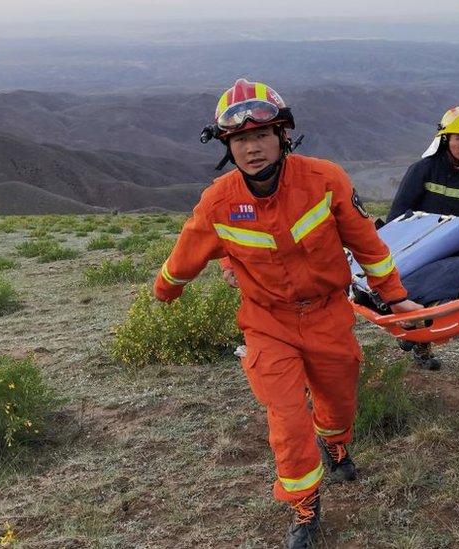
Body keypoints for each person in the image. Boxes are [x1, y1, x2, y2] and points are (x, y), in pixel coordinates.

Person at [153, 79, 422, 548]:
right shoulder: (218, 201)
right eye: (239, 140)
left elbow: (368, 246)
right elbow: (185, 255)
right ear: (227, 146)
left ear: (282, 137)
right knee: (286, 418)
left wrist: (396, 298)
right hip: (267, 324)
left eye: (260, 136)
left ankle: (335, 443)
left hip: (328, 314)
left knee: (338, 403)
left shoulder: (325, 180)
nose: (251, 148)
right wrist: (165, 291)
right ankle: (304, 507)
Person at [387, 106, 459, 370]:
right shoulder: (423, 170)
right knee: (421, 298)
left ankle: (419, 338)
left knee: (444, 303)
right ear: (445, 139)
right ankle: (418, 342)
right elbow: (398, 214)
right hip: (422, 252)